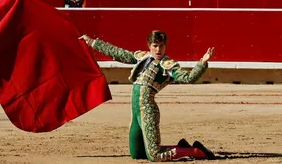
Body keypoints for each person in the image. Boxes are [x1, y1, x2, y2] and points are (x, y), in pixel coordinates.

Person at [79, 31, 216, 162]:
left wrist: (202, 63)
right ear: (149, 46)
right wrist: (91, 42)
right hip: (136, 112)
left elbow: (188, 78)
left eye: (161, 46)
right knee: (137, 153)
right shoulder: (142, 57)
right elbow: (119, 53)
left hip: (148, 110)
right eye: (155, 46)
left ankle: (196, 151)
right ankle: (181, 148)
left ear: (165, 46)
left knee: (155, 156)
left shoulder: (167, 65)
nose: (158, 50)